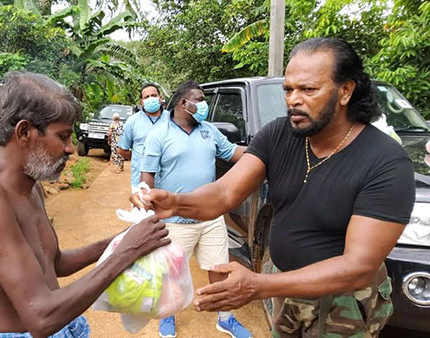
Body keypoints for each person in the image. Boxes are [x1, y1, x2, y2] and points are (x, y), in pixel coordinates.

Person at [135, 37, 415, 337]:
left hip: (345, 302)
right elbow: (224, 193)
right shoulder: (279, 134)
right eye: (288, 90)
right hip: (285, 288)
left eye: (308, 89)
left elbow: (358, 265)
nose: (294, 99)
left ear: (345, 91)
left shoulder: (385, 161)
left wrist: (259, 286)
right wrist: (175, 202)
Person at [0, 72, 171, 338]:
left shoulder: (31, 189)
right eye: (63, 137)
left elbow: (54, 264)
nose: (71, 149)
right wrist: (127, 252)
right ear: (24, 132)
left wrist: (123, 239)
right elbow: (41, 318)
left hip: (63, 324)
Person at [138, 81, 249, 338]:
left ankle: (225, 318)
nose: (203, 104)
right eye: (198, 99)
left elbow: (233, 153)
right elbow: (147, 176)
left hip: (210, 218)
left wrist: (266, 153)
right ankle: (167, 315)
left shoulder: (209, 131)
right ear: (182, 104)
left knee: (219, 268)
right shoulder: (159, 135)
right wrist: (145, 197)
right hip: (175, 221)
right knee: (171, 273)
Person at [118, 83, 169, 193]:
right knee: (142, 209)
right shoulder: (132, 121)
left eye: (154, 95)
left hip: (168, 182)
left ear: (160, 98)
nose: (151, 99)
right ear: (141, 102)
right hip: (140, 183)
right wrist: (140, 158)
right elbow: (122, 150)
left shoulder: (172, 119)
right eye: (147, 97)